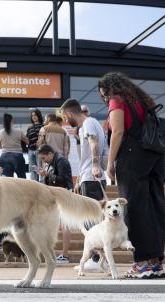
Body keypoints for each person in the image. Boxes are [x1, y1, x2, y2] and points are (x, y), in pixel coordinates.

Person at [99, 71, 165, 279]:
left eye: (103, 94)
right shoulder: (141, 99)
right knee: (155, 208)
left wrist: (110, 162)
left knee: (134, 208)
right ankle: (155, 263)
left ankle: (142, 263)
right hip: (155, 155)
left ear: (109, 89)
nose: (104, 98)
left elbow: (118, 131)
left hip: (132, 156)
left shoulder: (116, 100)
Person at [60, 99, 107, 272]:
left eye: (66, 117)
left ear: (71, 114)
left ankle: (96, 259)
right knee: (94, 218)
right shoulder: (92, 123)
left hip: (92, 177)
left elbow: (93, 144)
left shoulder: (86, 124)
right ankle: (99, 259)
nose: (66, 120)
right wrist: (79, 179)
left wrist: (95, 166)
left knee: (91, 219)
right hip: (90, 177)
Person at [37, 144, 74, 264]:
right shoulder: (52, 162)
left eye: (44, 158)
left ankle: (65, 255)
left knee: (65, 225)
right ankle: (63, 255)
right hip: (57, 196)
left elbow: (62, 180)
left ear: (50, 154)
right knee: (60, 224)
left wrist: (47, 175)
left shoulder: (61, 161)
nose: (44, 161)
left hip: (64, 195)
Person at [0, 113, 29, 178]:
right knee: (21, 179)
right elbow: (28, 142)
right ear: (12, 120)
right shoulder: (18, 131)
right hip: (17, 156)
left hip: (4, 156)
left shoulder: (0, 132)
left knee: (7, 180)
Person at [26, 109, 44, 181]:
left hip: (39, 150)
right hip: (30, 150)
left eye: (35, 115)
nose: (34, 117)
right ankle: (34, 186)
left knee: (40, 169)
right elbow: (27, 139)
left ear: (39, 116)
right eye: (32, 116)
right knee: (33, 170)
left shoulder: (43, 126)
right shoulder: (29, 128)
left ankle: (42, 186)